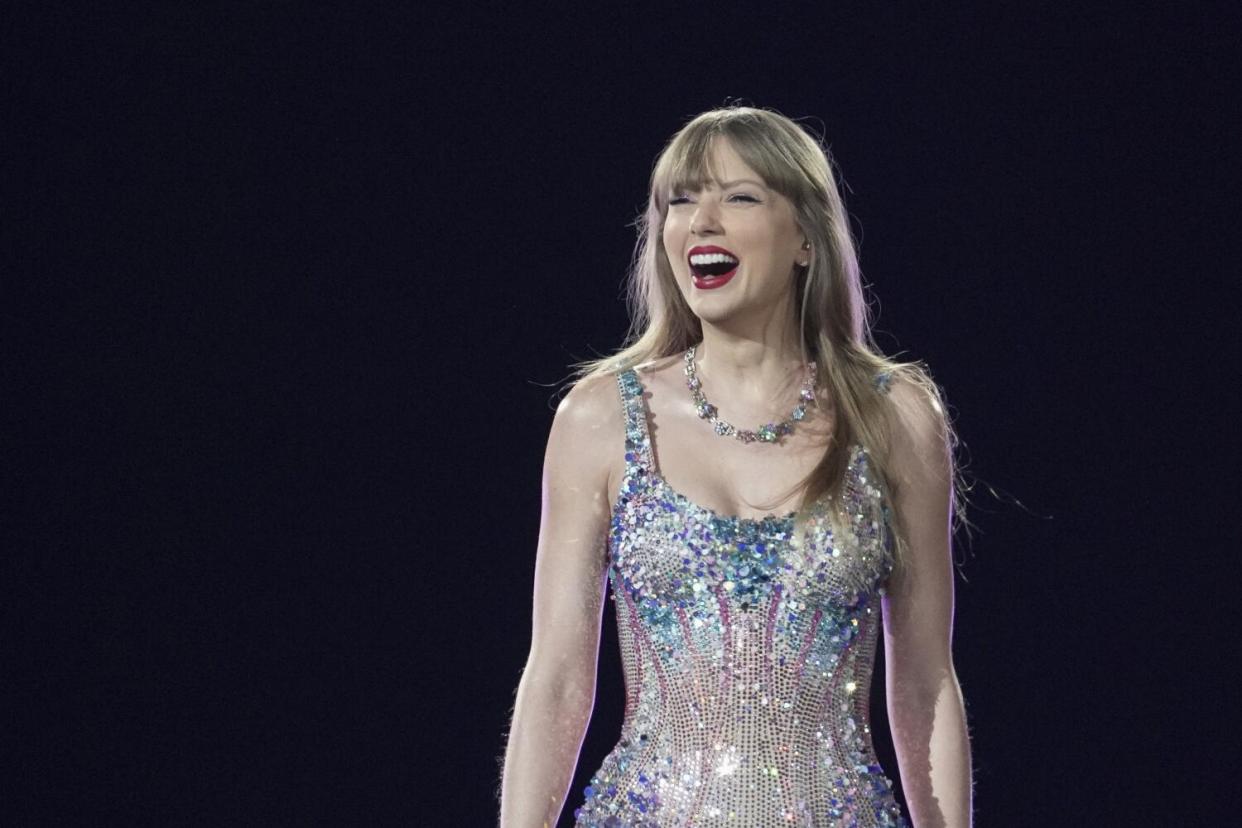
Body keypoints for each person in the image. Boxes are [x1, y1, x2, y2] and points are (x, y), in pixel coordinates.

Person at [499, 105, 973, 827]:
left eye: (739, 197)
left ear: (806, 239)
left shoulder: (896, 418)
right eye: (681, 201)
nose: (701, 222)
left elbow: (925, 680)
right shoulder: (600, 418)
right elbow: (559, 677)